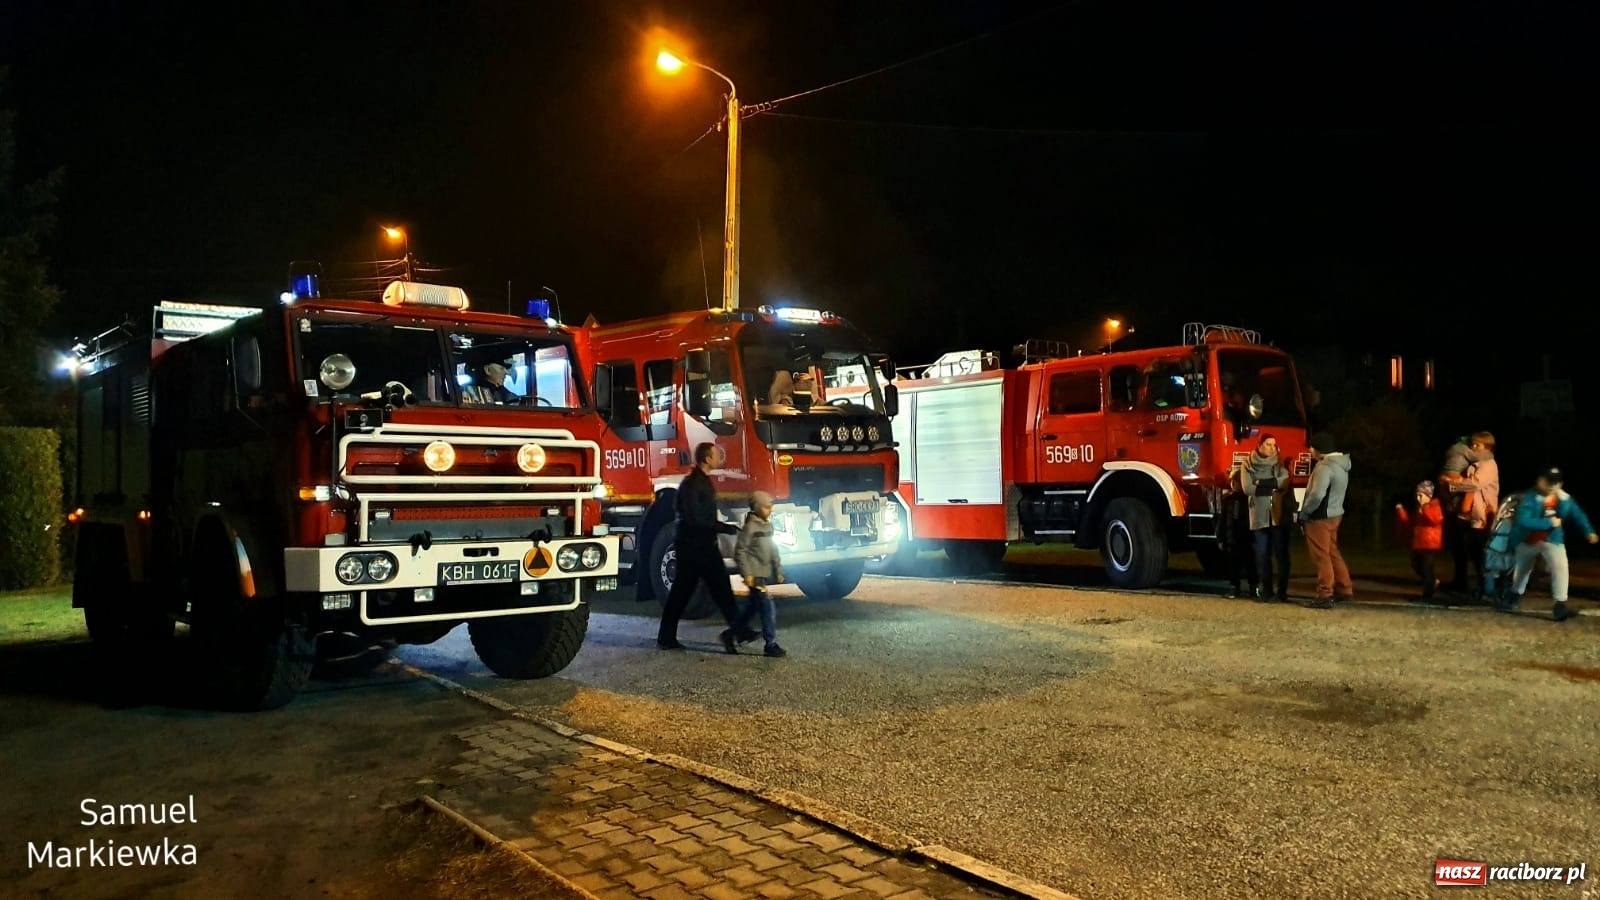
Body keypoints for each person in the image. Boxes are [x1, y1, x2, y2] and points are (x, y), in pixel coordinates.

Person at [658, 443, 759, 651]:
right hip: (692, 548)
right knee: (681, 593)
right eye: (715, 454)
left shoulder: (701, 482)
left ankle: (739, 631)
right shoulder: (692, 484)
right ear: (706, 459)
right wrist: (725, 528)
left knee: (722, 590)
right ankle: (666, 637)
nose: (719, 457)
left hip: (704, 546)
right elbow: (695, 519)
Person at [1503, 467, 1597, 622]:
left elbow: (1578, 515)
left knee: (1560, 567)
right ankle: (1515, 595)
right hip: (1527, 540)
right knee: (1522, 571)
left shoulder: (1565, 499)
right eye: (1548, 481)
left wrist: (1588, 531)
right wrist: (1548, 523)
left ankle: (1560, 604)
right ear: (1540, 481)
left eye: (1556, 482)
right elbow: (1523, 521)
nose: (1552, 485)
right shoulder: (1529, 498)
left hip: (1552, 539)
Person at [1297, 432, 1353, 609]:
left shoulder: (1324, 467)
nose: (1310, 450)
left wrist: (1305, 512)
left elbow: (1317, 494)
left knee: (1321, 556)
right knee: (1332, 552)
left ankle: (1324, 594)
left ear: (1319, 448)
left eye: (1312, 447)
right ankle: (1344, 589)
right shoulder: (1342, 466)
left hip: (1319, 517)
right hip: (1336, 514)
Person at [1445, 431, 1500, 599]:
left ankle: (1487, 588)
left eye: (1477, 445)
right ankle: (1476, 586)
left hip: (1483, 514)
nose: (1473, 447)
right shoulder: (1475, 464)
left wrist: (1453, 485)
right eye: (1473, 444)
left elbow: (1475, 484)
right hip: (1472, 514)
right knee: (1471, 551)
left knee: (1481, 552)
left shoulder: (1489, 464)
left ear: (1487, 447)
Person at [734, 491, 787, 657]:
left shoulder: (767, 526)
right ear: (757, 507)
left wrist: (778, 570)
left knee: (751, 608)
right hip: (755, 575)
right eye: (766, 507)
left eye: (770, 507)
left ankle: (731, 633)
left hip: (762, 573)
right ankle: (770, 643)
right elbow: (740, 552)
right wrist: (747, 574)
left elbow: (773, 550)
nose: (769, 510)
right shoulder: (751, 527)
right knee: (767, 608)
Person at [1240, 433, 1292, 601]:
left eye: (1274, 444)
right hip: (1259, 515)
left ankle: (1282, 592)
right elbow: (1247, 488)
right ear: (1260, 445)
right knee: (1262, 555)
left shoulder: (1279, 463)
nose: (1272, 448)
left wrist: (1260, 483)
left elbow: (1283, 481)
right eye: (1269, 444)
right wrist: (1271, 484)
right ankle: (1266, 590)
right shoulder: (1248, 464)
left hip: (1277, 515)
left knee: (1280, 554)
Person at [1438, 436, 1485, 589]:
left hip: (1465, 514)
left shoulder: (1474, 468)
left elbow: (1471, 488)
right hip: (1457, 510)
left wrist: (1449, 484)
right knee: (1459, 548)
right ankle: (1462, 581)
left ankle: (1481, 583)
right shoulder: (1467, 466)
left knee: (1470, 549)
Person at [1395, 480, 1444, 601]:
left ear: (1428, 495)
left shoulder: (1434, 506)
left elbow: (1435, 520)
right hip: (1419, 543)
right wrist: (1401, 511)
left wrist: (1425, 509)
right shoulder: (1420, 508)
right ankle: (1432, 582)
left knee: (1427, 568)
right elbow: (1410, 522)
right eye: (1417, 495)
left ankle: (1428, 594)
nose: (1418, 498)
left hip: (1430, 543)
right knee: (1416, 565)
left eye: (1421, 495)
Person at [1219, 467, 1258, 600]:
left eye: (1236, 482)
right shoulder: (1228, 500)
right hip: (1233, 538)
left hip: (1247, 538)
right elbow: (1223, 521)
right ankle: (1234, 588)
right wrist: (1221, 539)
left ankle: (1254, 588)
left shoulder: (1250, 500)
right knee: (1233, 565)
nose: (1233, 485)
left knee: (1250, 564)